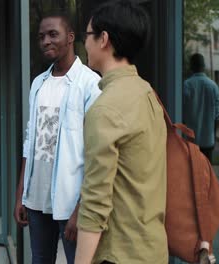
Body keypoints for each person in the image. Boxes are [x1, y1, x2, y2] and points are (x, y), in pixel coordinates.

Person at [75, 1, 168, 263]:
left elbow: (95, 202)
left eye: (88, 36)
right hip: (153, 249)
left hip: (119, 254)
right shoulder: (147, 93)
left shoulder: (105, 108)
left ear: (103, 39)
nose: (86, 44)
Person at [13, 11, 101, 264]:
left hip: (70, 199)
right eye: (41, 37)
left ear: (70, 37)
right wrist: (21, 194)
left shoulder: (90, 84)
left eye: (53, 34)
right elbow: (30, 142)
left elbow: (97, 152)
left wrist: (81, 207)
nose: (46, 41)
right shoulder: (38, 83)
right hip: (36, 199)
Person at [183, 53, 219, 161]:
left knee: (191, 174)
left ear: (191, 66)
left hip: (191, 141)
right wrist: (213, 138)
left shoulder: (187, 85)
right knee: (206, 174)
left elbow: (182, 115)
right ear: (203, 66)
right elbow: (216, 116)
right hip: (208, 141)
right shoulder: (213, 86)